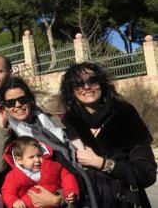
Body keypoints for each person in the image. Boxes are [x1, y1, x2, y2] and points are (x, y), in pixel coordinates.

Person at [59, 62, 156, 208]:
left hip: (126, 203)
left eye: (92, 80)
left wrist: (102, 163)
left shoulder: (124, 114)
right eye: (78, 83)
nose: (86, 87)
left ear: (101, 83)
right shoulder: (67, 124)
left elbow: (147, 173)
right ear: (72, 91)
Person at [0, 77, 96, 208]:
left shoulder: (50, 119)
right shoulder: (10, 133)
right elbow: (1, 165)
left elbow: (74, 145)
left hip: (78, 180)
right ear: (5, 107)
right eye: (10, 103)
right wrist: (2, 122)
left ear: (30, 100)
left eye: (22, 100)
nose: (17, 105)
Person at [1, 136, 79, 208]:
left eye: (39, 155)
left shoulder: (51, 165)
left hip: (58, 202)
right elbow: (7, 191)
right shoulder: (14, 176)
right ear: (19, 160)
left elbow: (67, 176)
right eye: (31, 157)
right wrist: (14, 201)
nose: (37, 160)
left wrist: (71, 190)